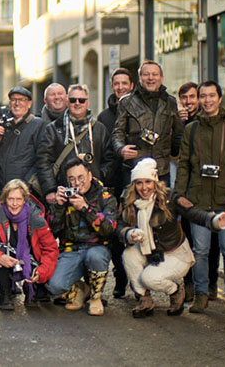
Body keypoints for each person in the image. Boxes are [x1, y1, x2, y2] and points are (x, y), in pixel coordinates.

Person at [117, 158, 225, 318]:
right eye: (139, 183)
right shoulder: (130, 200)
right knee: (129, 254)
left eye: (148, 182)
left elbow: (192, 212)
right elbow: (119, 225)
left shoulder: (170, 197)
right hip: (150, 252)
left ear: (155, 181)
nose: (144, 188)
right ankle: (145, 300)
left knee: (148, 278)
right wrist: (129, 233)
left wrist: (213, 220)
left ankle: (176, 290)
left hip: (174, 253)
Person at [174, 80, 225, 316]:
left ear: (220, 98)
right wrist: (179, 195)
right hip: (199, 202)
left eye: (211, 96)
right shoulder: (191, 129)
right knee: (200, 251)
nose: (207, 100)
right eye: (203, 96)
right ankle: (200, 295)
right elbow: (185, 165)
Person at [44, 158, 118, 316]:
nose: (77, 183)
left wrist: (85, 208)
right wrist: (58, 206)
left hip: (97, 249)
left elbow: (108, 229)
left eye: (80, 177)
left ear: (90, 176)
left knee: (95, 256)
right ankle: (80, 289)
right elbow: (52, 230)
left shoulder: (105, 197)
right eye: (72, 179)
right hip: (72, 250)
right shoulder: (66, 199)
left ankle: (96, 297)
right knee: (53, 285)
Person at [0, 179, 58, 310]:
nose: (14, 204)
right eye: (10, 199)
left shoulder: (36, 216)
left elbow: (50, 248)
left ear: (24, 200)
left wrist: (42, 271)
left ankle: (31, 288)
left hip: (31, 259)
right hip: (8, 257)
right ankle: (6, 292)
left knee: (42, 284)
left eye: (18, 199)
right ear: (4, 199)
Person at [96, 67, 135, 299]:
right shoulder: (104, 118)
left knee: (135, 232)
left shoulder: (139, 110)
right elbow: (103, 153)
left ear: (131, 85)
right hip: (112, 184)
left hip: (135, 183)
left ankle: (139, 282)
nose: (120, 87)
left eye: (124, 83)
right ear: (112, 86)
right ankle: (120, 279)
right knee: (114, 236)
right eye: (116, 83)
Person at [112, 60, 183, 185]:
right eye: (146, 74)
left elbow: (178, 134)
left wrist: (177, 154)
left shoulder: (170, 102)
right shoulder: (126, 102)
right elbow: (117, 133)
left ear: (161, 78)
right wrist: (121, 149)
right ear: (140, 78)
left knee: (161, 204)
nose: (150, 78)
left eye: (154, 74)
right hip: (135, 167)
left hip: (161, 170)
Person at [37, 84, 110, 202]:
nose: (77, 103)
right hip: (64, 192)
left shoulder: (99, 129)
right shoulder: (54, 129)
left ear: (88, 102)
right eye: (72, 100)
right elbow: (43, 161)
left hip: (94, 193)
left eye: (81, 100)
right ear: (67, 102)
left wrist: (97, 176)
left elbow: (109, 159)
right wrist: (50, 189)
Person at [0, 86, 46, 198]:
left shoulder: (38, 125)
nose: (17, 103)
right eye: (13, 99)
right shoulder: (2, 124)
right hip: (1, 190)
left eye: (21, 100)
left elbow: (42, 159)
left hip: (24, 192)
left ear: (29, 104)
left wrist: (25, 184)